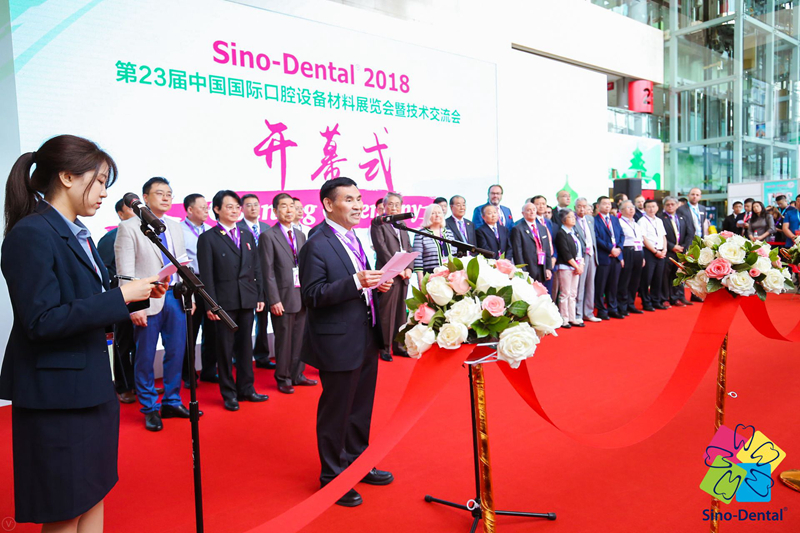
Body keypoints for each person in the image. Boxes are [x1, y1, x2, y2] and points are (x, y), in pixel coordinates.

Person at [1, 135, 165, 528]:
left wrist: (135, 297)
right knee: (64, 509)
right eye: (100, 181)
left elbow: (87, 304)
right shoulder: (31, 233)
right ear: (67, 177)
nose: (105, 193)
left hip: (90, 387)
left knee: (94, 493)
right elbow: (41, 321)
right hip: (57, 398)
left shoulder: (79, 233)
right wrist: (120, 296)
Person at [299, 177, 394, 507]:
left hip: (365, 334)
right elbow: (312, 295)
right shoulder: (316, 243)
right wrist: (356, 281)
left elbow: (357, 284)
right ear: (328, 204)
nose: (358, 206)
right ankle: (333, 477)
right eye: (349, 200)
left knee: (360, 407)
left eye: (359, 199)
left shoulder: (354, 237)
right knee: (337, 411)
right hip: (337, 341)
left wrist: (374, 284)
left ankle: (358, 463)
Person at [116, 177, 197, 432]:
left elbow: (182, 264)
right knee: (145, 356)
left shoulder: (174, 226)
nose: (166, 197)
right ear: (145, 198)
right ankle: (149, 407)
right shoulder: (128, 227)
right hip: (146, 299)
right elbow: (125, 272)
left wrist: (191, 296)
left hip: (175, 296)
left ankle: (172, 401)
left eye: (169, 193)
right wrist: (134, 306)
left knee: (176, 352)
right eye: (159, 193)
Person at [198, 190, 268, 412]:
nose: (235, 211)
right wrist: (211, 305)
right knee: (225, 349)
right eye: (229, 207)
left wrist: (259, 295)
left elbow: (256, 267)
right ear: (217, 209)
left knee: (245, 347)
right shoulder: (208, 238)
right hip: (223, 303)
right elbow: (207, 275)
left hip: (246, 298)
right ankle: (229, 393)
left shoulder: (246, 235)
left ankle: (247, 388)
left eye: (237, 207)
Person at [259, 193, 315, 394]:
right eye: (284, 206)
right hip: (282, 297)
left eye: (292, 205)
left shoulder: (300, 235)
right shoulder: (268, 236)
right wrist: (274, 299)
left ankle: (297, 374)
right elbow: (267, 271)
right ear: (275, 211)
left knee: (300, 338)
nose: (289, 210)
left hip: (301, 294)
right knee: (284, 340)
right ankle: (283, 377)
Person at [97, 199, 138, 404]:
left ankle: (139, 383)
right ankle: (123, 386)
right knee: (123, 343)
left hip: (141, 299)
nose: (136, 211)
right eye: (130, 208)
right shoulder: (110, 238)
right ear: (120, 215)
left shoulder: (145, 235)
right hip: (120, 299)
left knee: (139, 343)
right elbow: (103, 271)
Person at [181, 193, 219, 384]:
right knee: (190, 331)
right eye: (202, 207)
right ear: (189, 209)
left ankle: (209, 370)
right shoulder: (179, 231)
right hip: (190, 282)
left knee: (212, 330)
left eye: (207, 207)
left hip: (210, 281)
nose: (206, 210)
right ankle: (188, 374)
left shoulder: (212, 231)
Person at [371, 192, 413, 362]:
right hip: (388, 274)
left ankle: (399, 346)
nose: (394, 207)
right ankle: (385, 348)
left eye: (397, 204)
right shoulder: (378, 223)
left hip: (404, 275)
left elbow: (408, 247)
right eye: (391, 204)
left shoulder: (402, 224)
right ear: (384, 206)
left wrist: (409, 268)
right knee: (386, 313)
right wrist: (398, 268)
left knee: (401, 313)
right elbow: (381, 249)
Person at [238, 194, 273, 369]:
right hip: (244, 281)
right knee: (243, 321)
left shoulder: (267, 228)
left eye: (256, 205)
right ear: (242, 208)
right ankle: (239, 356)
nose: (253, 208)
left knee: (263, 320)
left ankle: (262, 355)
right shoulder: (237, 228)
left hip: (264, 279)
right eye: (249, 205)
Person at [594, 196, 625, 320]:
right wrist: (610, 249)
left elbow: (621, 235)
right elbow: (596, 238)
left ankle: (613, 308)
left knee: (613, 285)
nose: (607, 206)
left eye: (609, 204)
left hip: (616, 256)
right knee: (601, 285)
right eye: (604, 204)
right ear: (598, 206)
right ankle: (601, 310)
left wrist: (619, 249)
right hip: (604, 256)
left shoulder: (614, 219)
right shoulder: (594, 220)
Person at [659, 196, 693, 307]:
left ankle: (679, 297)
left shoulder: (683, 217)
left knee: (679, 275)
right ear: (664, 206)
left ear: (677, 205)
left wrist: (684, 247)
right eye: (667, 204)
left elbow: (690, 233)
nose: (670, 206)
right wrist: (672, 246)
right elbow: (661, 236)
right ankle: (665, 298)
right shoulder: (660, 218)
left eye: (672, 204)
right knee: (666, 276)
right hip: (668, 251)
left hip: (681, 251)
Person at [554, 209, 585, 328]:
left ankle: (572, 317)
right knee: (565, 293)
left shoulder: (574, 232)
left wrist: (581, 265)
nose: (573, 219)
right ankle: (564, 319)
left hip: (576, 267)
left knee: (573, 293)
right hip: (566, 267)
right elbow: (565, 253)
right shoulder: (561, 233)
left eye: (573, 217)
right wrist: (576, 266)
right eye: (570, 217)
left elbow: (580, 250)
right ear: (563, 220)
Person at [412, 204, 455, 285]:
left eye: (439, 213)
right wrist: (420, 280)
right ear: (428, 216)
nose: (437, 215)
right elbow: (417, 259)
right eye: (433, 213)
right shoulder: (421, 234)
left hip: (449, 275)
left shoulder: (448, 232)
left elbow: (454, 255)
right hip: (430, 276)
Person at [510, 202, 552, 284]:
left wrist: (548, 268)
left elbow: (547, 248)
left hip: (541, 267)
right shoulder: (518, 229)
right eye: (529, 210)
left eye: (534, 209)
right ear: (523, 213)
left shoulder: (542, 228)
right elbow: (518, 251)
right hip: (528, 268)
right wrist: (522, 270)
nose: (532, 212)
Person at [638, 199, 668, 311]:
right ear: (644, 209)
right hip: (649, 252)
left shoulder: (659, 221)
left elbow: (663, 236)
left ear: (657, 208)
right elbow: (643, 238)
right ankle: (646, 302)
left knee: (658, 277)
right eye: (649, 207)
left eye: (653, 206)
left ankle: (656, 300)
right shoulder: (642, 221)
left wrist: (664, 249)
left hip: (661, 251)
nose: (651, 209)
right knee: (647, 278)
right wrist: (655, 251)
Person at [616, 201, 645, 315]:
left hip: (638, 251)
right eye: (628, 207)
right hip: (627, 251)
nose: (631, 209)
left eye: (632, 207)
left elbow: (640, 240)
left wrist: (642, 256)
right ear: (621, 211)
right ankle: (622, 306)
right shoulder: (619, 222)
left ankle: (631, 304)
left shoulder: (636, 223)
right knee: (625, 279)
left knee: (635, 280)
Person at [574, 198, 600, 323]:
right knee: (580, 286)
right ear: (575, 207)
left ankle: (588, 312)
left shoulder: (590, 219)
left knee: (590, 285)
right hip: (581, 256)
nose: (582, 209)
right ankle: (578, 314)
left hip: (592, 254)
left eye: (584, 206)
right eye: (579, 206)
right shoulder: (573, 220)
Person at [532, 195, 556, 293]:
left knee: (548, 292)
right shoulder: (531, 221)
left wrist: (554, 257)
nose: (541, 206)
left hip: (549, 261)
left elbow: (552, 241)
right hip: (536, 263)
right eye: (538, 204)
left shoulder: (548, 222)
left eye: (543, 204)